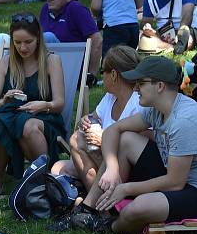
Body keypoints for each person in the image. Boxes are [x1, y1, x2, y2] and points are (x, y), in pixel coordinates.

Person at [49, 56, 197, 234]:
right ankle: (88, 210)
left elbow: (175, 183)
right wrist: (112, 168)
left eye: (141, 83)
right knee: (126, 139)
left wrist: (126, 189)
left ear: (160, 86)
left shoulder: (184, 121)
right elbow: (114, 130)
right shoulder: (157, 110)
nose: (136, 88)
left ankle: (107, 226)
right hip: (180, 175)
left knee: (137, 209)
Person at [0, 13, 65, 201]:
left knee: (28, 126)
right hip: (12, 114)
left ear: (38, 39)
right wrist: (4, 101)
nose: (22, 47)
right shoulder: (7, 61)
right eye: (17, 42)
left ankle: (43, 181)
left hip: (45, 118)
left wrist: (44, 105)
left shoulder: (51, 61)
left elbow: (59, 103)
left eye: (28, 42)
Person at [51, 46, 146, 191]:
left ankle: (100, 204)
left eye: (103, 71)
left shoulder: (137, 104)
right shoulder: (110, 98)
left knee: (77, 141)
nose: (101, 76)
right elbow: (89, 120)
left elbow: (140, 147)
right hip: (102, 162)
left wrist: (103, 140)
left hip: (125, 170)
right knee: (57, 168)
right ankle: (89, 193)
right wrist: (84, 121)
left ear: (113, 75)